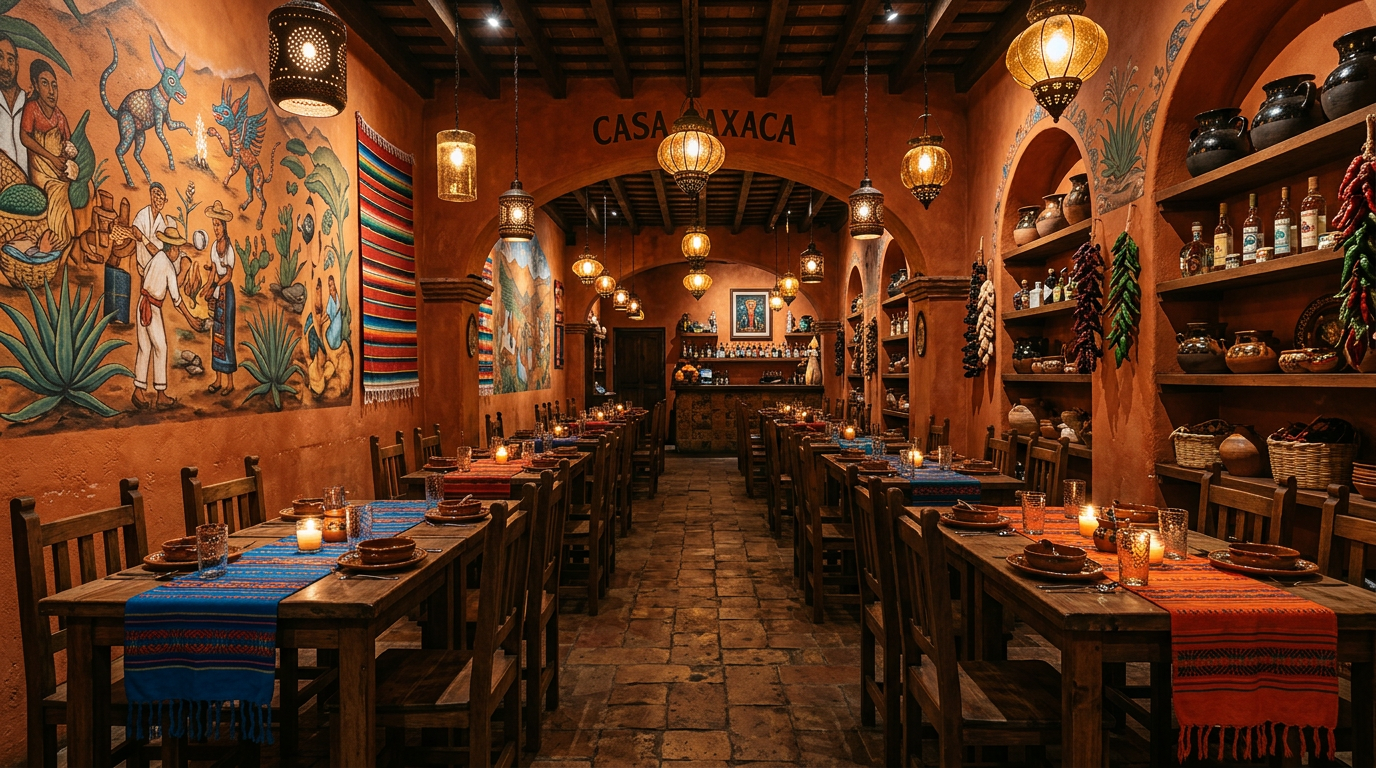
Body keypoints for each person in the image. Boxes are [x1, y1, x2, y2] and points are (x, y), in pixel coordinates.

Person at [132, 225, 200, 410]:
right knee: (161, 348)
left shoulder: (156, 259)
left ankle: (139, 390)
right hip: (151, 308)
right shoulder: (168, 266)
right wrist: (191, 319)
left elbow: (147, 276)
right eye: (177, 249)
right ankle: (161, 395)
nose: (178, 253)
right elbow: (176, 298)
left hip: (141, 304)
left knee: (144, 348)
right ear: (172, 248)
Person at [19, 58, 75, 251]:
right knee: (54, 192)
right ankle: (54, 242)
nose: (51, 91)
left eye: (54, 85)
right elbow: (25, 138)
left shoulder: (60, 117)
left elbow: (68, 148)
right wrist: (51, 159)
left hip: (57, 174)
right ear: (35, 85)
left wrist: (66, 164)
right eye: (45, 83)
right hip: (40, 172)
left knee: (64, 195)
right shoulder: (32, 109)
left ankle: (60, 243)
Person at [202, 201, 236, 394]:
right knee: (217, 337)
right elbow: (213, 271)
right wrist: (207, 287)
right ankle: (218, 379)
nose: (216, 228)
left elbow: (228, 275)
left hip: (227, 293)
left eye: (218, 224)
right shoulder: (214, 246)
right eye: (214, 224)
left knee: (227, 336)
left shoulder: (229, 248)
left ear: (224, 226)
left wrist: (215, 286)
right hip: (217, 291)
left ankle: (230, 383)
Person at [129, 182, 168, 275]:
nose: (160, 200)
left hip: (156, 263)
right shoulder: (144, 213)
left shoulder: (161, 220)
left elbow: (162, 243)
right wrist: (145, 240)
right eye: (157, 195)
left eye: (162, 199)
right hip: (144, 262)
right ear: (151, 196)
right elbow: (135, 230)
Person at [0, 34, 26, 171]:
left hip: (30, 189)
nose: (5, 66)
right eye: (0, 57)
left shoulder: (29, 102)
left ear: (16, 66)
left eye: (10, 60)